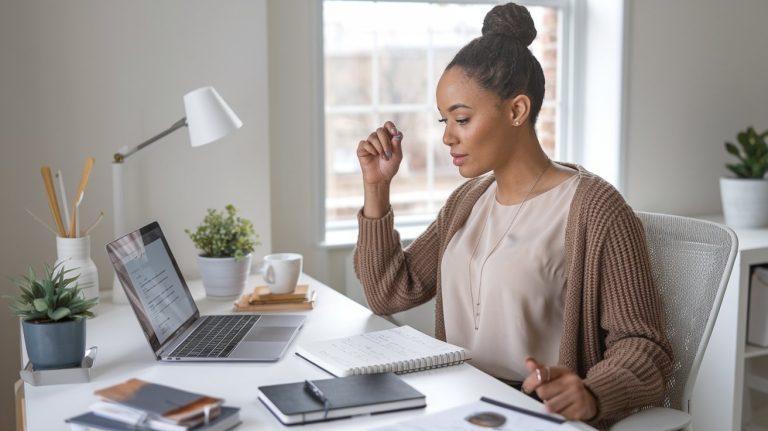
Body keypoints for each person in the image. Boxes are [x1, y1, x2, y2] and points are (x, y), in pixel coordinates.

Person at [352, 2, 673, 429]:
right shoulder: (468, 200)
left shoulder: (596, 210)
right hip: (457, 405)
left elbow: (644, 345)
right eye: (444, 119)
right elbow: (389, 293)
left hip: (536, 417)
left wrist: (593, 393)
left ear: (517, 111)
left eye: (461, 118)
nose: (447, 136)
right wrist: (376, 187)